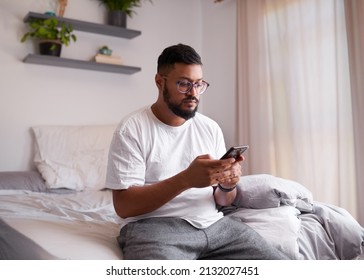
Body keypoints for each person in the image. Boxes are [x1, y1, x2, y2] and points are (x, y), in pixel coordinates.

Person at [106, 43, 289, 260]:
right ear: (159, 82)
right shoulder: (132, 129)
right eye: (183, 84)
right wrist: (186, 179)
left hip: (214, 225)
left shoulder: (210, 127)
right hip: (154, 228)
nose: (193, 93)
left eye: (199, 84)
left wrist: (227, 184)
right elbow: (124, 206)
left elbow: (224, 200)